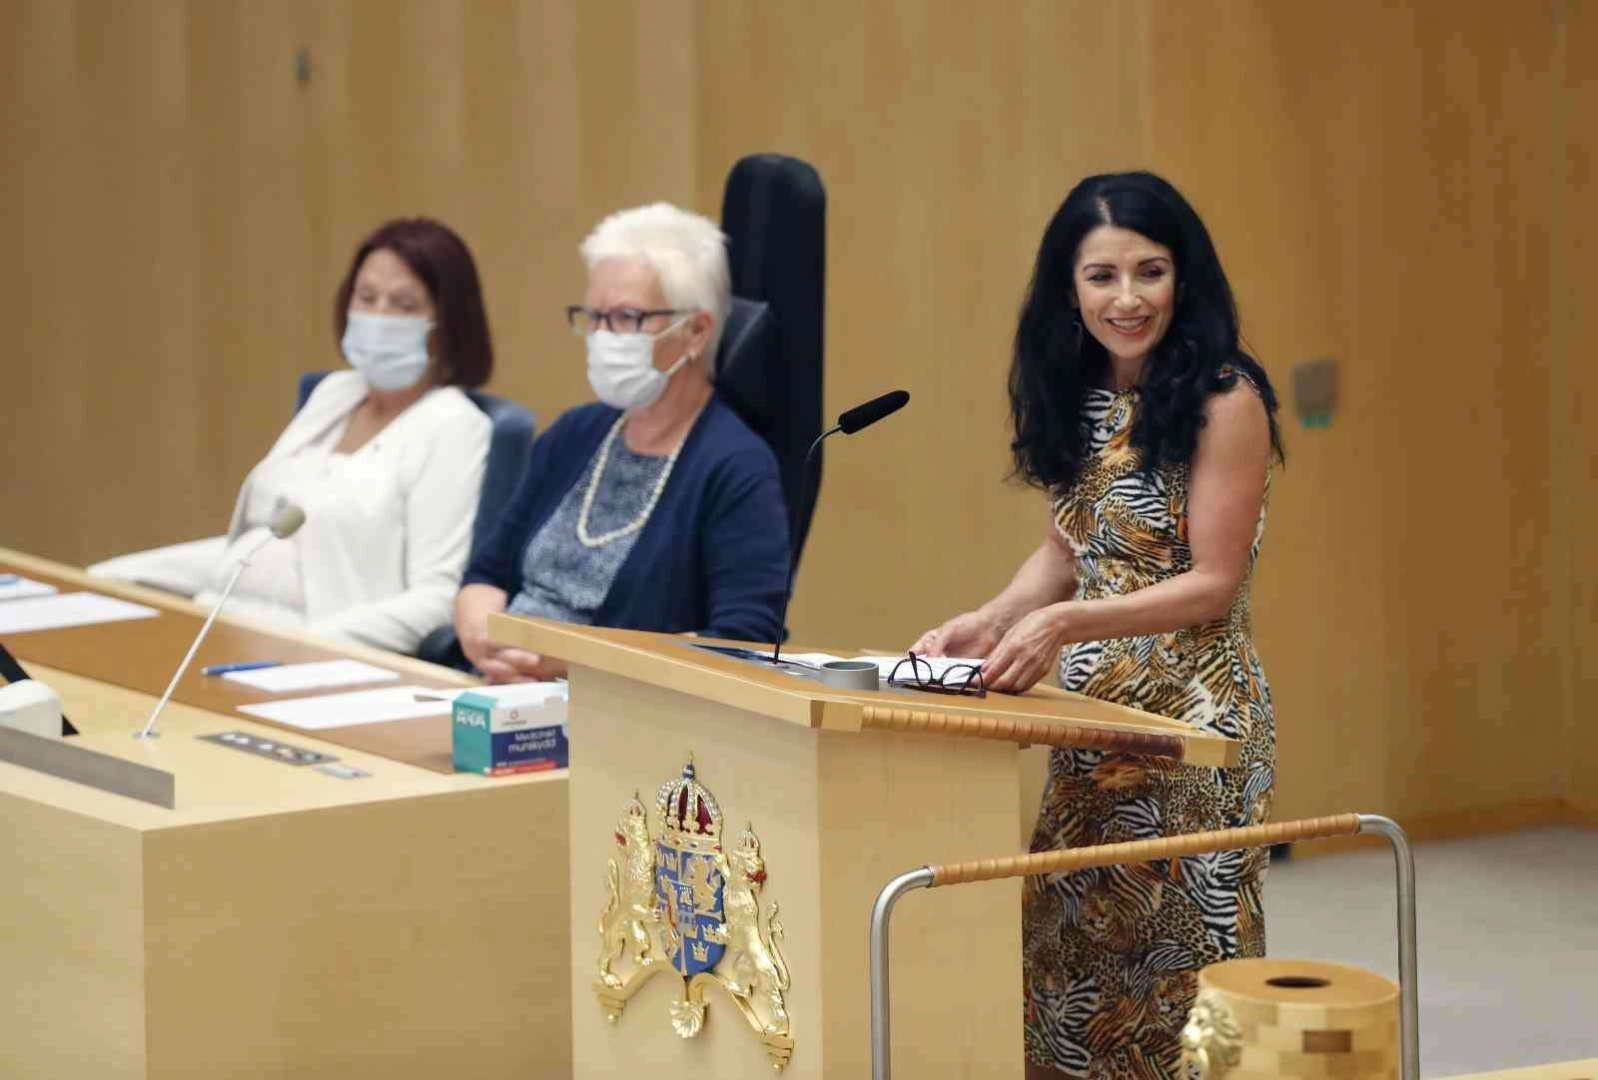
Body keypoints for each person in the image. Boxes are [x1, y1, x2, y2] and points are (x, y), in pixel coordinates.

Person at [912, 172, 1284, 1079]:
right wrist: (991, 618)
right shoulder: (1075, 389)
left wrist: (1066, 624)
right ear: (1068, 288)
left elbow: (1212, 584)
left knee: (1179, 983)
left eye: (1150, 272)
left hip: (1193, 724)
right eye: (1102, 276)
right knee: (1066, 971)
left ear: (1183, 278)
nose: (1128, 299)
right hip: (1091, 724)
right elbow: (1068, 544)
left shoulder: (1225, 398)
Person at [91, 218, 494, 654]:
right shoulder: (336, 393)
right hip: (220, 625)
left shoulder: (453, 426)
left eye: (404, 304)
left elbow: (435, 598)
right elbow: (254, 549)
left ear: (448, 323)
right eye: (366, 297)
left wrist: (304, 647)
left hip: (317, 652)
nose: (378, 316)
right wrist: (112, 579)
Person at [454, 203, 789, 684]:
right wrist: (481, 635)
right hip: (498, 690)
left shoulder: (737, 466)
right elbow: (487, 574)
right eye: (595, 317)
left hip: (619, 714)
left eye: (628, 318)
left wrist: (572, 663)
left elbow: (743, 643)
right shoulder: (574, 433)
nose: (603, 336)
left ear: (696, 332)